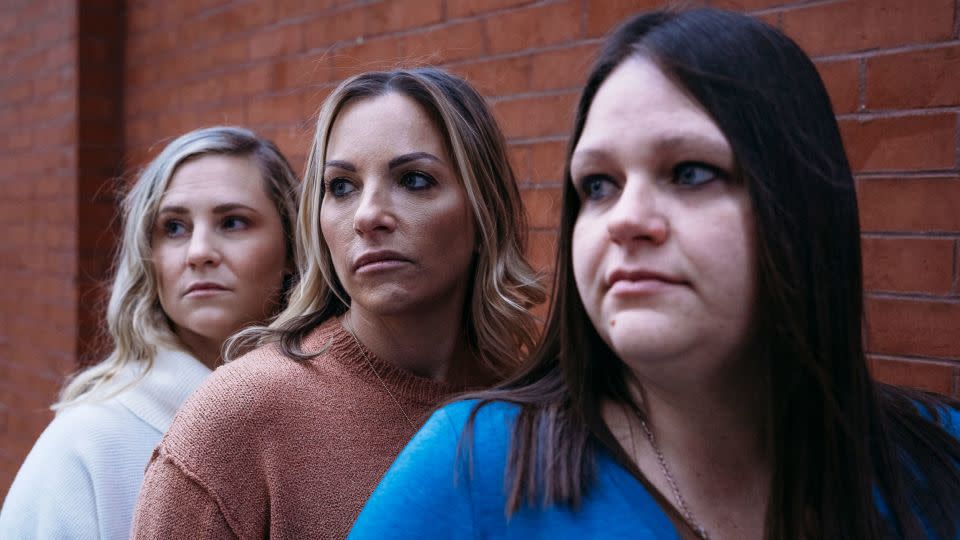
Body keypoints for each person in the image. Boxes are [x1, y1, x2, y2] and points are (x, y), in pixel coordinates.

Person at [348, 9, 960, 540]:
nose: (625, 220)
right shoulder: (472, 465)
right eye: (598, 185)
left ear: (800, 201)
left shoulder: (940, 460)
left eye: (689, 172)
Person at [130, 68, 545, 538]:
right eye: (342, 187)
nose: (368, 216)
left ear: (482, 205)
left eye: (413, 179)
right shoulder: (237, 417)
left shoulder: (530, 407)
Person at [0, 126, 300, 539]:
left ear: (291, 246)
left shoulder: (331, 417)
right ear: (149, 255)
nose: (198, 252)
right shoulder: (87, 442)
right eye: (174, 228)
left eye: (232, 222)